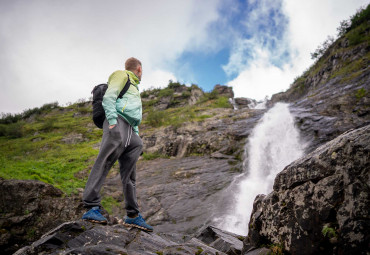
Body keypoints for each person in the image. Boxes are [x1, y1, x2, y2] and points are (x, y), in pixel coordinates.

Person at [81, 57, 153, 232]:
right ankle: (91, 207)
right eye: (142, 70)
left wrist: (136, 136)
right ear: (139, 69)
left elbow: (134, 115)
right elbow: (109, 96)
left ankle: (133, 216)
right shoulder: (121, 75)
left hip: (130, 130)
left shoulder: (135, 88)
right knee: (104, 161)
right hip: (118, 122)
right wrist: (112, 121)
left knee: (130, 176)